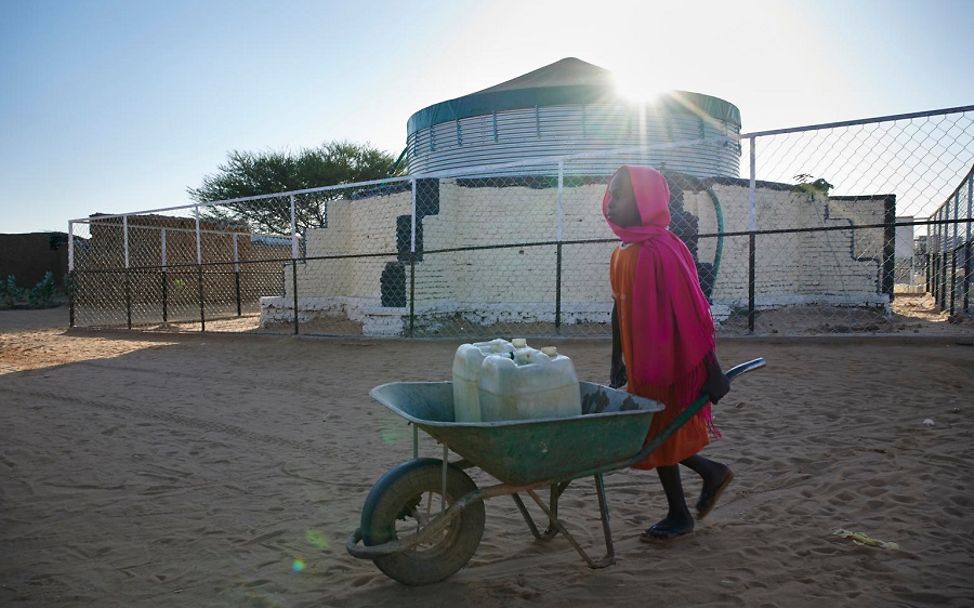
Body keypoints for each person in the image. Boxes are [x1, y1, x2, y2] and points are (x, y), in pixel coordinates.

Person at [605, 165, 734, 542]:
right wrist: (617, 361)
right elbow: (618, 307)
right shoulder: (622, 252)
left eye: (621, 194)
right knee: (654, 429)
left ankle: (682, 509)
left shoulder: (664, 249)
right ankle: (707, 476)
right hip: (643, 362)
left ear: (647, 200)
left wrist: (712, 370)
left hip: (671, 360)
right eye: (610, 194)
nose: (611, 202)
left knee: (657, 430)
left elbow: (693, 313)